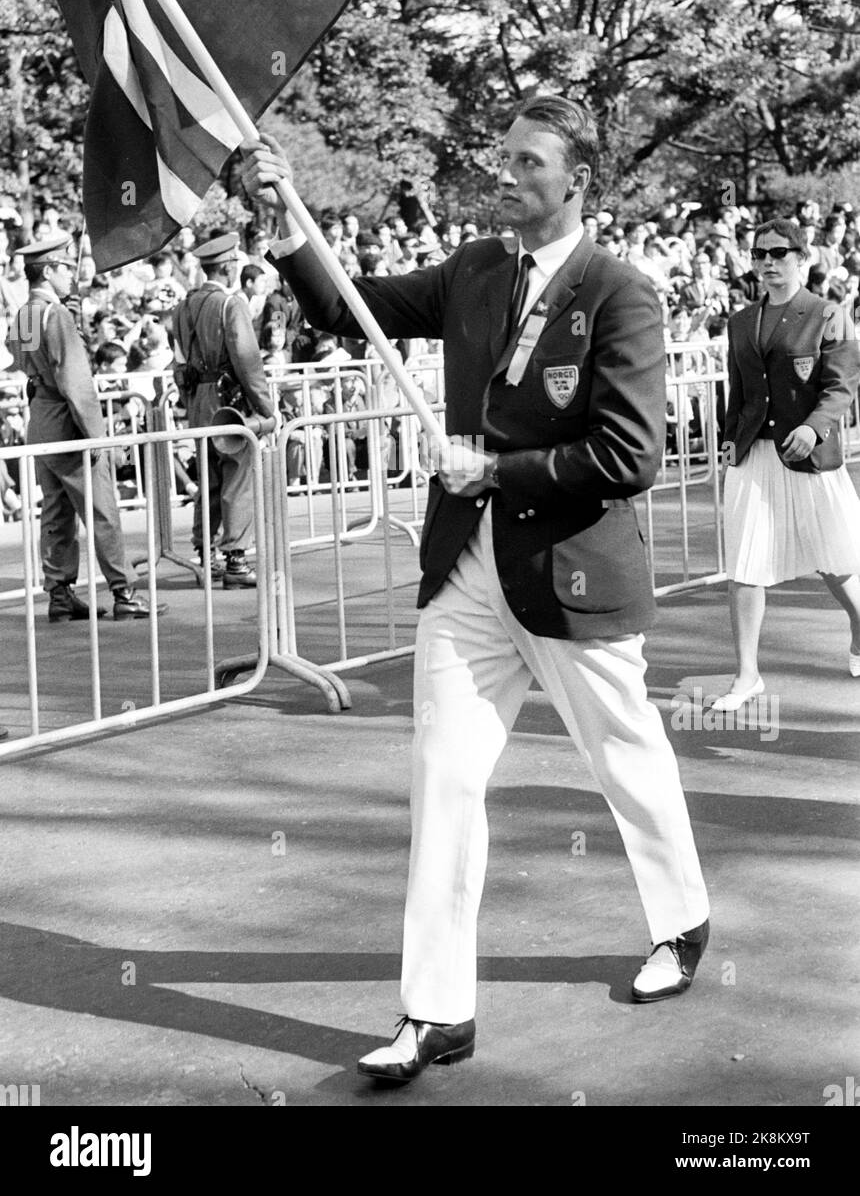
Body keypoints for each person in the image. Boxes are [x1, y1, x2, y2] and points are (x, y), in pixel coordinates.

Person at [242, 93, 710, 1083]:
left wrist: (496, 471)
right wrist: (289, 232)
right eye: (504, 156)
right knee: (444, 781)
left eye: (529, 161)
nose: (508, 174)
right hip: (463, 572)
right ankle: (433, 1011)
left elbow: (628, 455)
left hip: (569, 574)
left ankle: (679, 920)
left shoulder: (620, 293)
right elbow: (345, 306)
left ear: (577, 179)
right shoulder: (472, 269)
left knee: (625, 760)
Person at [716, 218, 860, 708]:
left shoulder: (829, 314)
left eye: (779, 253)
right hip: (754, 453)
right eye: (759, 254)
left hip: (810, 455)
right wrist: (729, 440)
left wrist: (812, 426)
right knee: (744, 564)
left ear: (803, 257)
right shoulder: (739, 321)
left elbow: (841, 386)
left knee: (835, 562)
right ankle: (747, 674)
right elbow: (738, 390)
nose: (767, 263)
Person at [8, 235, 163, 621]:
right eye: (64, 268)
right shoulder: (55, 314)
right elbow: (76, 381)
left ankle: (59, 593)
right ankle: (123, 591)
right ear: (48, 271)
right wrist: (97, 435)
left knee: (57, 510)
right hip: (67, 419)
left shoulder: (25, 313)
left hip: (41, 416)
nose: (70, 275)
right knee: (101, 509)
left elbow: (22, 357)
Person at [172, 232, 275, 587]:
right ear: (230, 266)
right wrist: (266, 408)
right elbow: (247, 361)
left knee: (208, 480)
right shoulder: (232, 305)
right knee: (238, 476)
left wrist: (190, 402)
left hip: (199, 399)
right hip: (227, 401)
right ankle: (235, 558)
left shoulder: (183, 306)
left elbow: (179, 363)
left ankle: (207, 555)